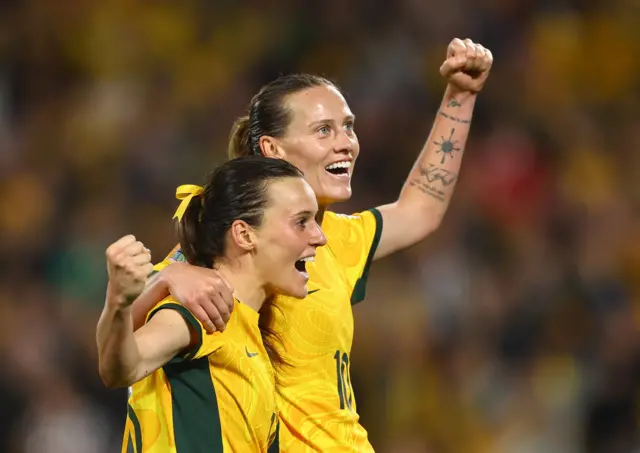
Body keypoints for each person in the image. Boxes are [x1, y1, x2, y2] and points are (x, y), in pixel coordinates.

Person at [130, 38, 493, 451]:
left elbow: (421, 209)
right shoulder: (240, 241)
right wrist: (169, 274)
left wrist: (460, 97)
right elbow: (133, 327)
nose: (346, 143)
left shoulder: (335, 237)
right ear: (272, 148)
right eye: (324, 130)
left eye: (348, 126)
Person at [96, 156, 327, 452]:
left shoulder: (246, 328)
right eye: (301, 222)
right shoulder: (202, 313)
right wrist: (118, 301)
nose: (319, 237)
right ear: (244, 235)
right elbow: (120, 369)